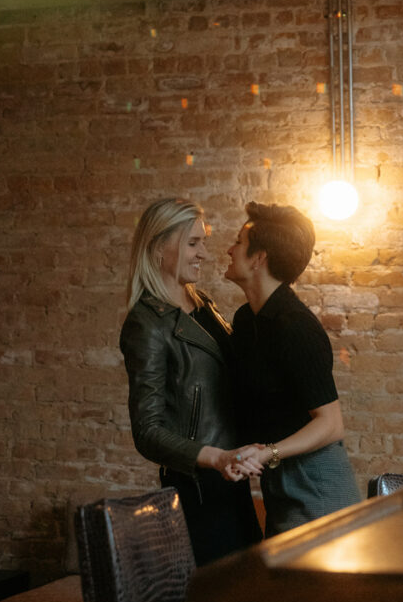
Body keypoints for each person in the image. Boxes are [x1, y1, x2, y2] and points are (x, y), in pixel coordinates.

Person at [120, 197, 263, 565]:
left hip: (232, 480)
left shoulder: (203, 305)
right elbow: (147, 431)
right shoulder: (147, 323)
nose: (204, 254)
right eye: (193, 243)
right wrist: (216, 459)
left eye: (204, 242)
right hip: (198, 489)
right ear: (157, 248)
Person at [225, 201, 361, 537]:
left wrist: (268, 452)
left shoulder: (295, 326)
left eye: (238, 243)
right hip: (279, 478)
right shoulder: (246, 320)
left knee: (313, 589)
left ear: (260, 258)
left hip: (316, 481)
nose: (229, 250)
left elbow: (331, 425)